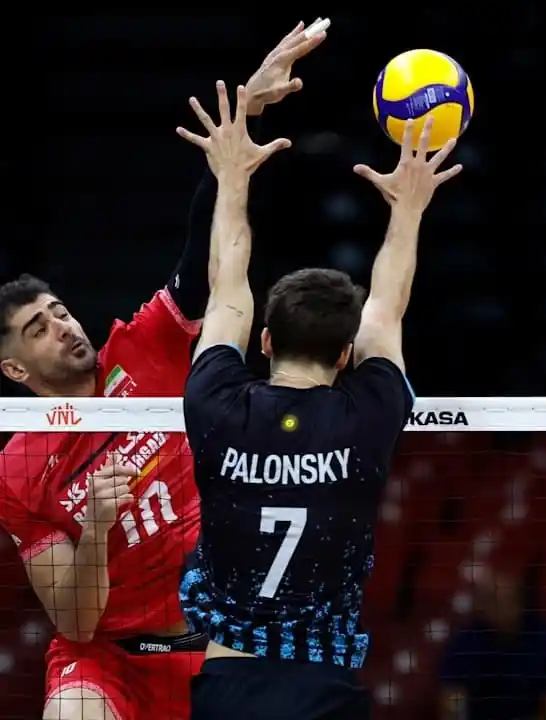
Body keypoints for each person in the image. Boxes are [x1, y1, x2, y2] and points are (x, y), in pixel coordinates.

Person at [0, 23, 325, 720]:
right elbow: (76, 624)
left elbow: (198, 264)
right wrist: (95, 530)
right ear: (14, 367)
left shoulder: (143, 347)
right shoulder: (21, 464)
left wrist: (247, 117)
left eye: (58, 311)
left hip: (214, 643)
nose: (62, 326)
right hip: (109, 658)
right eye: (37, 329)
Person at [175, 77, 461, 717]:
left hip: (227, 683)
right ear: (345, 355)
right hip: (324, 690)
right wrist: (409, 208)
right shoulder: (368, 416)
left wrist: (232, 176)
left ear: (266, 340)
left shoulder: (217, 403)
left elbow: (225, 292)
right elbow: (385, 310)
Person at [438, 570, 546, 720]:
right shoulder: (465, 641)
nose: (499, 609)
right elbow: (452, 698)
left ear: (520, 602)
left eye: (505, 601)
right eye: (490, 601)